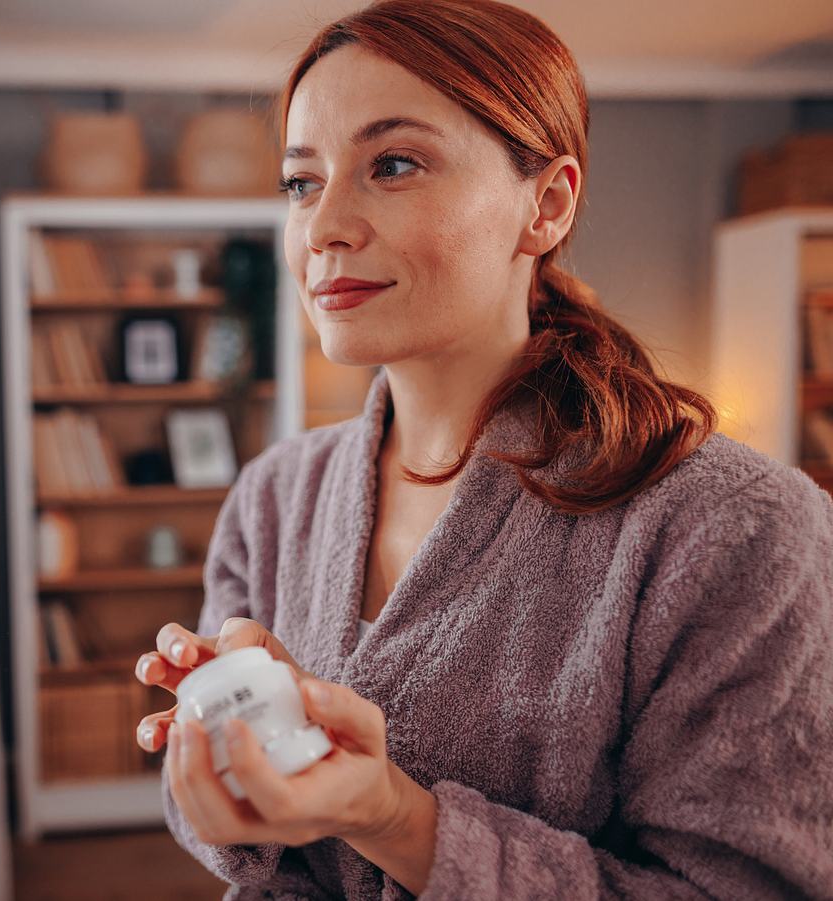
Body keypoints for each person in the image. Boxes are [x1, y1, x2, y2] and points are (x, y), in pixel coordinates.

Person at [131, 1, 833, 898]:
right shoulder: (273, 496)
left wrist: (392, 813)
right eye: (302, 182)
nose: (322, 228)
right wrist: (236, 751)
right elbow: (218, 825)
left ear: (545, 205)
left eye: (392, 164)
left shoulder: (738, 529)